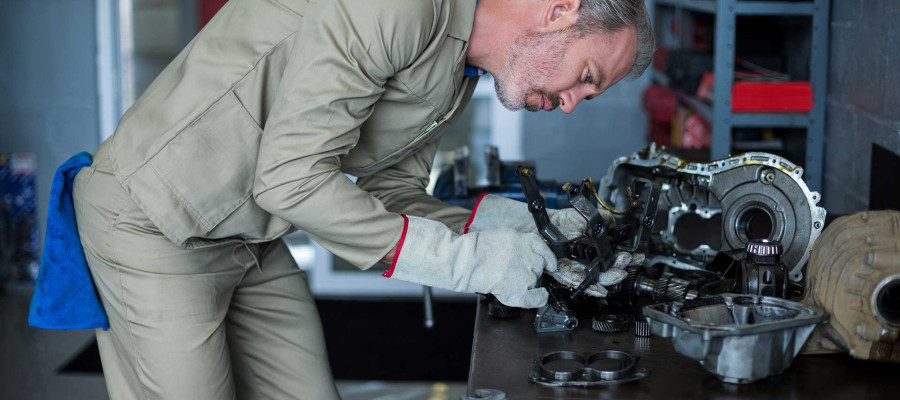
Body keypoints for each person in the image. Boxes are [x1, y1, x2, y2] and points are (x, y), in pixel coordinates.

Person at [73, 0, 654, 398]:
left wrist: (528, 228)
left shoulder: (457, 71)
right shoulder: (402, 7)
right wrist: (469, 261)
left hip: (250, 231)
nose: (575, 102)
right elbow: (291, 177)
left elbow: (392, 193)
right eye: (587, 76)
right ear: (559, 11)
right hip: (152, 220)